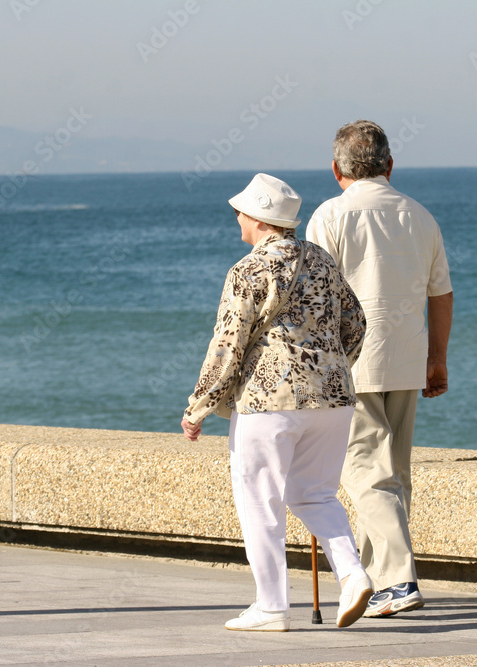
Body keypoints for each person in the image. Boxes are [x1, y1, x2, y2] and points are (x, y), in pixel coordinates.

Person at [181, 173, 373, 631]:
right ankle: (352, 574)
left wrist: (199, 405)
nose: (238, 220)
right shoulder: (322, 260)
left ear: (258, 219)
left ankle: (271, 608)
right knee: (315, 493)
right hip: (334, 398)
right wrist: (329, 369)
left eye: (240, 213)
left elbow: (227, 344)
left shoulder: (248, 270)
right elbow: (358, 323)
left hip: (270, 403)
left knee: (260, 502)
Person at [306, 120, 454, 617]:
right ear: (390, 165)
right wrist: (438, 359)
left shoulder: (329, 216)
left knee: (365, 470)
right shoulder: (419, 215)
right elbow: (441, 294)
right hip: (409, 357)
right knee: (392, 473)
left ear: (336, 169)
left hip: (350, 361)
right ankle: (375, 583)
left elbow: (317, 298)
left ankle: (397, 581)